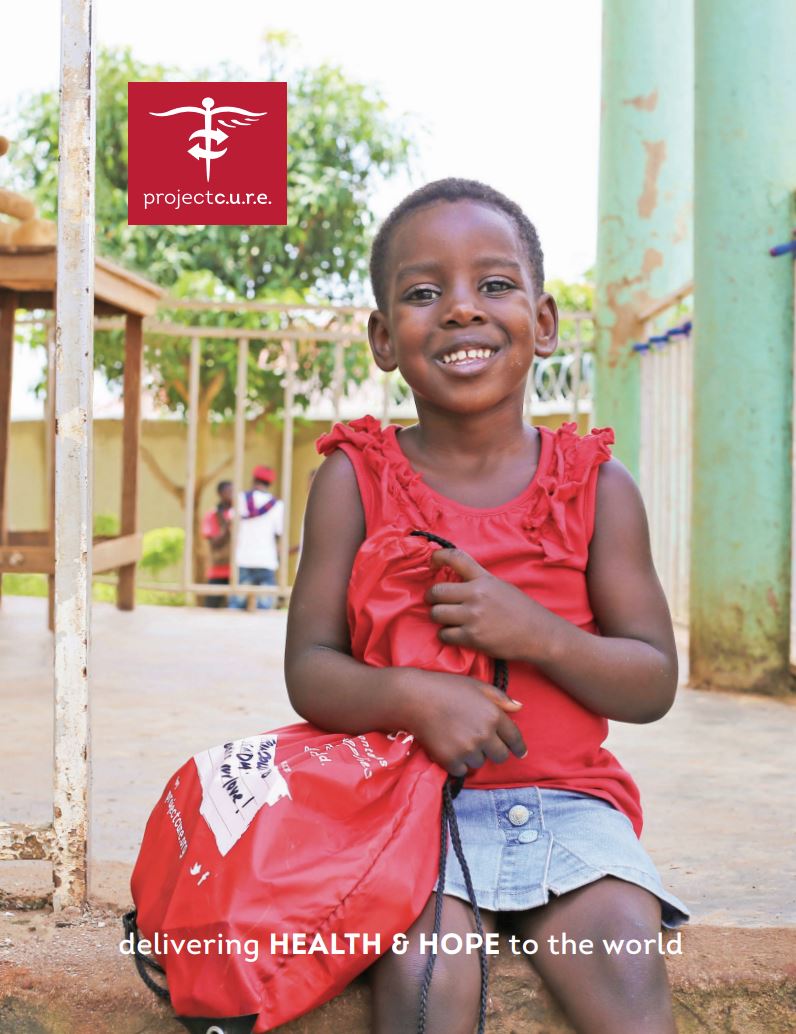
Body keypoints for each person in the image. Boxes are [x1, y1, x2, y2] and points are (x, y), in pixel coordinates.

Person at [284, 179, 688, 1034]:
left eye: (494, 285)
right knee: (425, 970)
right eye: (425, 293)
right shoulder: (353, 480)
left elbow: (652, 681)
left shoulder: (599, 488)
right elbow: (310, 669)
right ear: (385, 338)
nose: (462, 311)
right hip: (408, 812)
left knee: (622, 954)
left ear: (542, 323)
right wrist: (411, 696)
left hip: (574, 809)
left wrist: (540, 634)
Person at [229, 465, 284, 611]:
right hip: (266, 559)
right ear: (270, 483)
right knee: (265, 608)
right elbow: (279, 532)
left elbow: (231, 520)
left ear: (253, 479)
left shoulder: (241, 498)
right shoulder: (277, 505)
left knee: (236, 606)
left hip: (244, 557)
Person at [200, 480, 233, 608]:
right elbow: (214, 543)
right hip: (218, 569)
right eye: (228, 491)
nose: (232, 495)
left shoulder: (241, 513)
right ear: (220, 493)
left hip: (238, 570)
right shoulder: (212, 515)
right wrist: (226, 525)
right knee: (211, 607)